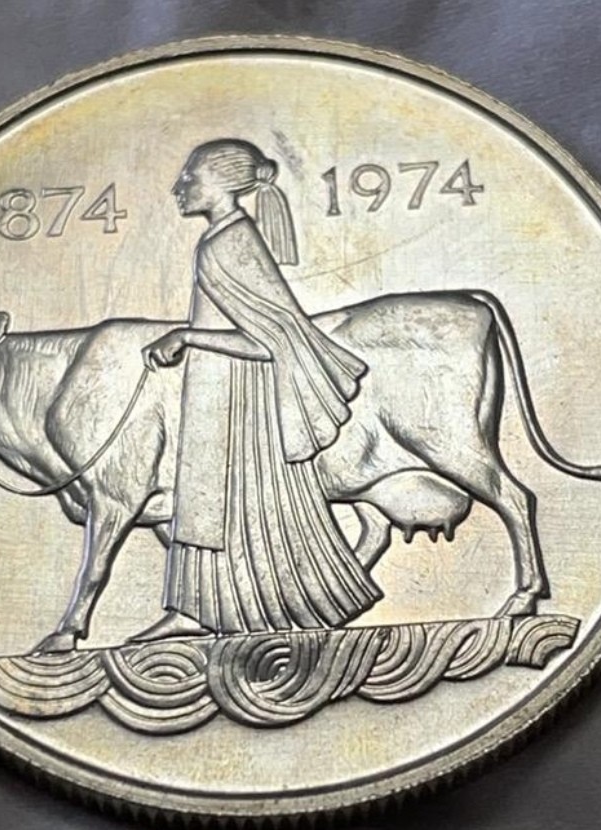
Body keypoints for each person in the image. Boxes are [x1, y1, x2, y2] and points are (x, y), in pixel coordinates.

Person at [136, 138, 382, 640]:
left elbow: (272, 340)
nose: (179, 186)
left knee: (249, 506)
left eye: (190, 177)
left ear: (223, 183)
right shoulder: (218, 238)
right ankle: (194, 610)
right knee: (204, 502)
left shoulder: (232, 242)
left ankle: (294, 607)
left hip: (243, 399)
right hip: (215, 390)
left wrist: (186, 336)